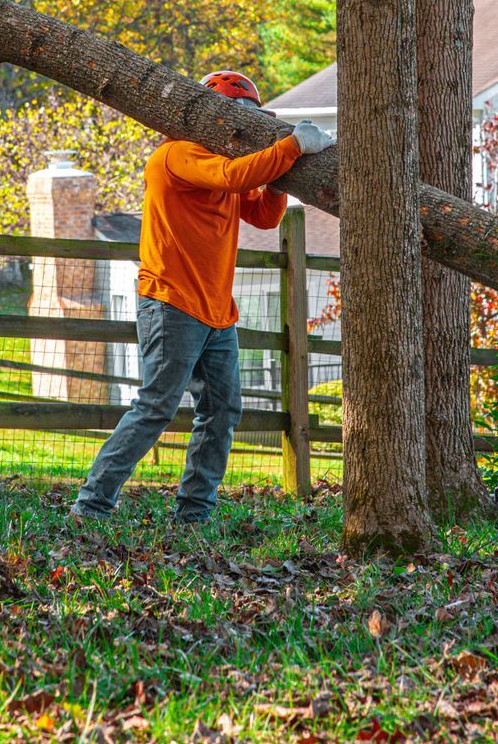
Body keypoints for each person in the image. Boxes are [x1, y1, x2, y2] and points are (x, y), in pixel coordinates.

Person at [71, 71, 329, 524]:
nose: (241, 127)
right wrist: (289, 147)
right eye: (236, 116)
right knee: (155, 407)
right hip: (171, 304)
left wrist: (283, 174)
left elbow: (265, 217)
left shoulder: (222, 167)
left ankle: (194, 513)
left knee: (222, 410)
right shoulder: (177, 155)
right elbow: (231, 177)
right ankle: (91, 505)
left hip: (217, 312)